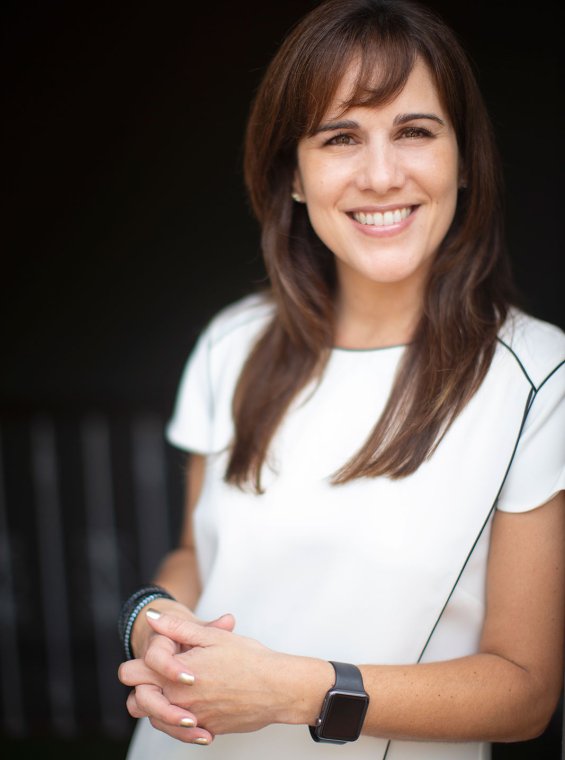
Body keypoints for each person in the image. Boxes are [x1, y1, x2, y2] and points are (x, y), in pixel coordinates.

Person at [117, 1, 565, 758]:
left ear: (462, 158)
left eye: (414, 132)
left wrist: (295, 692)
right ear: (293, 174)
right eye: (340, 137)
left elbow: (523, 691)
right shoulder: (232, 342)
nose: (382, 174)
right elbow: (196, 557)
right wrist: (149, 621)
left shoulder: (538, 377)